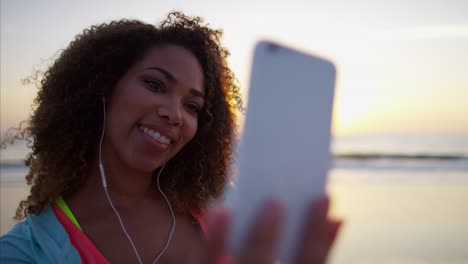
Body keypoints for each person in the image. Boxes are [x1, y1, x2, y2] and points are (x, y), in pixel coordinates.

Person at [0, 11, 341, 263]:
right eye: (154, 85)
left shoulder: (220, 205)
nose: (175, 114)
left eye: (192, 106)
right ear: (103, 89)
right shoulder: (24, 253)